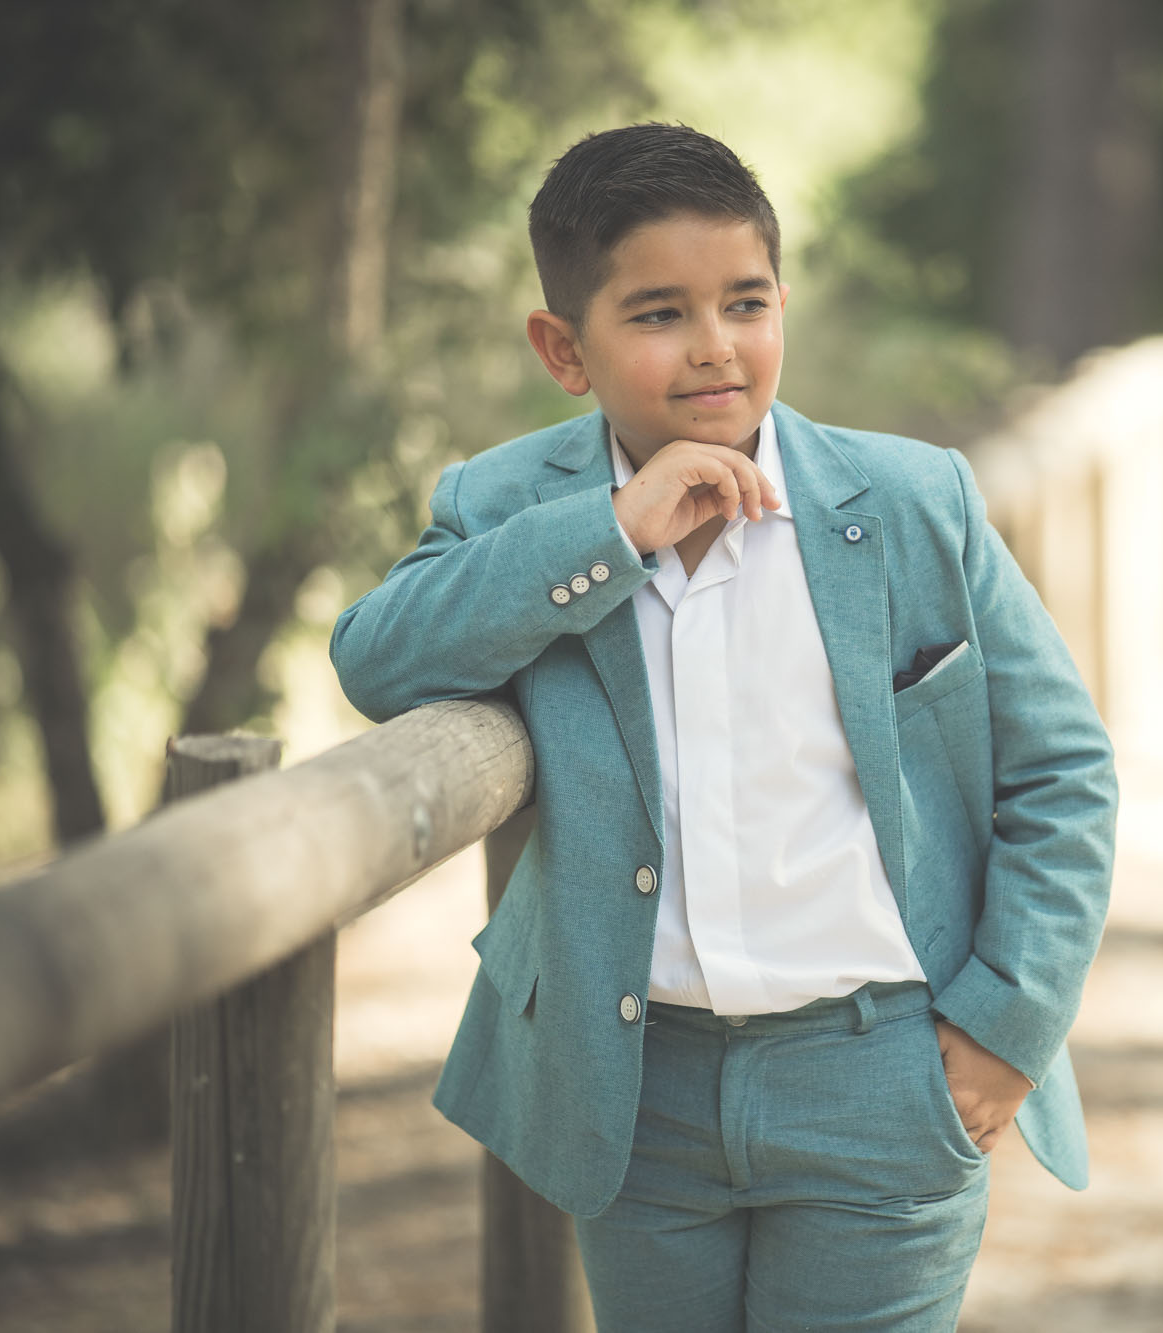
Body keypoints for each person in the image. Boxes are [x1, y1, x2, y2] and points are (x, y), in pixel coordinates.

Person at [329, 122, 1117, 1332]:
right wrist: (609, 529)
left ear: (780, 304)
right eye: (655, 315)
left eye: (744, 302)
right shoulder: (505, 505)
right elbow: (375, 660)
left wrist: (1003, 1024)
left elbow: (1061, 767)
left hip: (881, 1076)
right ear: (563, 348)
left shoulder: (911, 503)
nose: (713, 348)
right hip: (633, 1096)